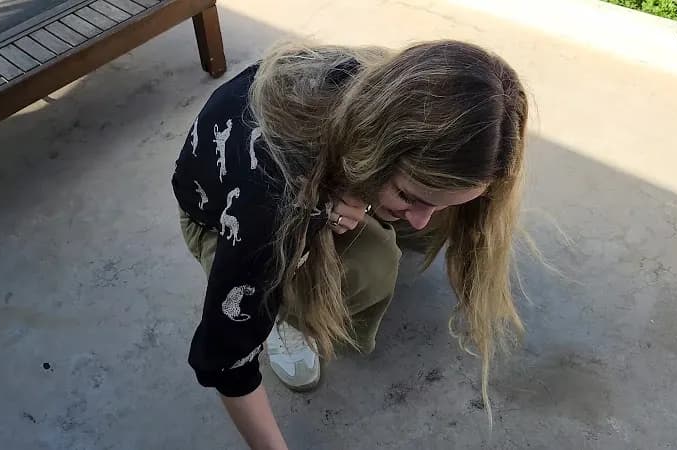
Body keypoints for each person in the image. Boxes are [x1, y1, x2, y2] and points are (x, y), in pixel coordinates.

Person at [172, 39, 528, 450]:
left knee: (434, 216)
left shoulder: (388, 90)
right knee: (372, 265)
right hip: (223, 216)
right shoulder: (267, 204)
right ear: (373, 155)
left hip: (326, 170)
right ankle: (286, 316)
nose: (420, 217)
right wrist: (320, 209)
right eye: (411, 197)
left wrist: (381, 195)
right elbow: (224, 359)